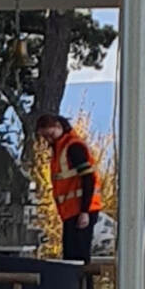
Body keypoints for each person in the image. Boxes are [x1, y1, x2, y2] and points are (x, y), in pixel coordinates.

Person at [36, 112, 107, 262]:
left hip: (81, 209)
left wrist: (84, 211)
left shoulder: (73, 147)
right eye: (45, 137)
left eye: (50, 134)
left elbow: (88, 178)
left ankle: (83, 286)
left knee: (79, 257)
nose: (49, 140)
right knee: (71, 256)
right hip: (71, 211)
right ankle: (78, 285)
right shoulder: (60, 149)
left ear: (58, 126)